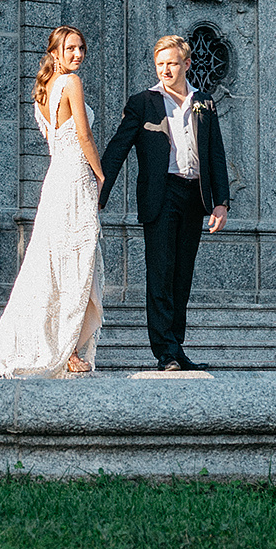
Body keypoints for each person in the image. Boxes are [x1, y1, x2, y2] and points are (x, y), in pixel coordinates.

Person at [0, 27, 105, 377]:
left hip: (55, 181)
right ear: (56, 52)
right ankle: (68, 347)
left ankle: (65, 342)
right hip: (75, 176)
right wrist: (101, 174)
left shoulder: (42, 91)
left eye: (81, 48)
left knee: (55, 259)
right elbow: (83, 134)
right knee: (77, 258)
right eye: (70, 48)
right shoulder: (71, 84)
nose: (77, 54)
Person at [97, 33, 229, 375]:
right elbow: (118, 147)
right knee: (160, 273)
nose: (166, 70)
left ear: (186, 64)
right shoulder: (143, 102)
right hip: (162, 193)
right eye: (160, 64)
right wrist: (97, 191)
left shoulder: (205, 102)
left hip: (194, 195)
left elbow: (215, 153)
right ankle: (164, 350)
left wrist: (221, 202)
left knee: (181, 275)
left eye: (172, 63)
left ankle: (177, 346)